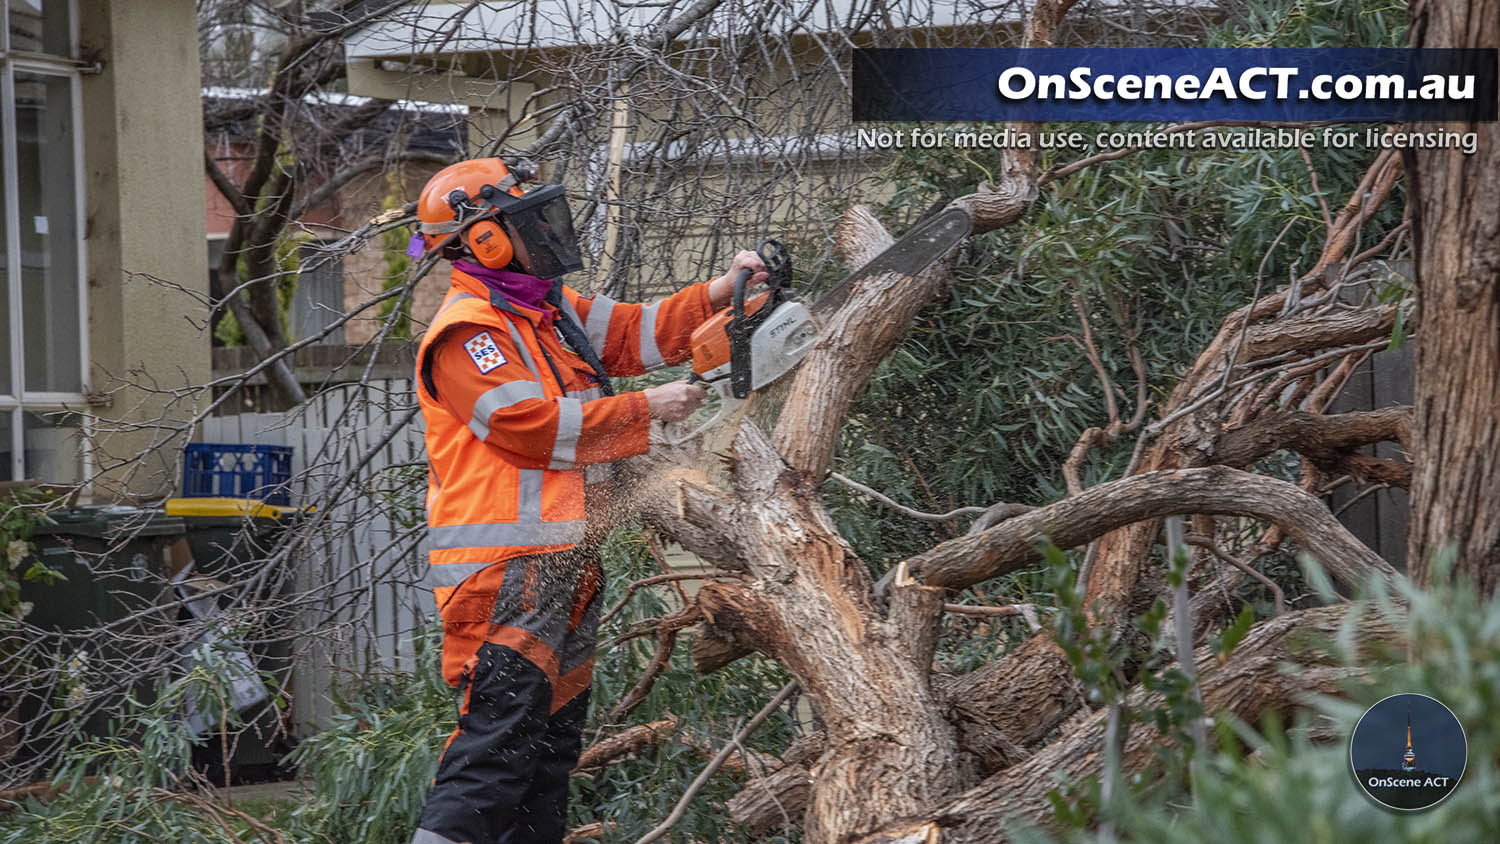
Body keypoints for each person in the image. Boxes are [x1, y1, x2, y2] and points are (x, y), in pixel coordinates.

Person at [408, 157, 766, 844]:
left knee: (545, 759)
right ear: (483, 240)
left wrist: (721, 293)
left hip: (565, 566)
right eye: (526, 219)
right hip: (507, 571)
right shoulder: (469, 333)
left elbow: (637, 332)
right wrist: (646, 409)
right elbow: (529, 427)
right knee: (496, 750)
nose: (544, 229)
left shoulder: (547, 311)